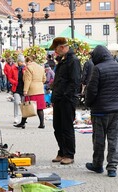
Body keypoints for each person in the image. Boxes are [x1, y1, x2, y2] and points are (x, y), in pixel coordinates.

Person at [85, 45, 118, 177]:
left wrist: (89, 103)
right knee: (114, 138)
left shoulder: (97, 69)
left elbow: (92, 90)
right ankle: (112, 167)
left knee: (99, 139)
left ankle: (98, 165)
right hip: (116, 110)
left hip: (100, 110)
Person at [49, 37, 82, 165]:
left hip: (67, 99)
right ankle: (62, 151)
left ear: (62, 47)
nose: (55, 52)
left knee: (67, 127)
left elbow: (74, 82)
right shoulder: (63, 60)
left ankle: (69, 154)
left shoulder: (73, 61)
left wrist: (65, 95)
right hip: (59, 99)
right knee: (57, 126)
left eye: (56, 49)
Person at [14, 56, 46, 129]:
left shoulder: (29, 68)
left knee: (27, 106)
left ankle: (22, 123)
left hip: (32, 90)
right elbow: (44, 79)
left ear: (28, 61)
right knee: (40, 108)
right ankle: (42, 123)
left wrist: (25, 90)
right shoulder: (41, 67)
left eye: (25, 62)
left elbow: (27, 80)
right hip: (40, 90)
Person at [8, 54, 26, 124]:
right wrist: (14, 82)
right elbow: (9, 78)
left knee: (23, 104)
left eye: (23, 61)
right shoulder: (13, 68)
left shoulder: (25, 68)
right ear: (18, 62)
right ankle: (16, 117)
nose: (22, 63)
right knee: (16, 102)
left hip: (24, 88)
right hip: (16, 88)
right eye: (20, 62)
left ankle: (23, 117)